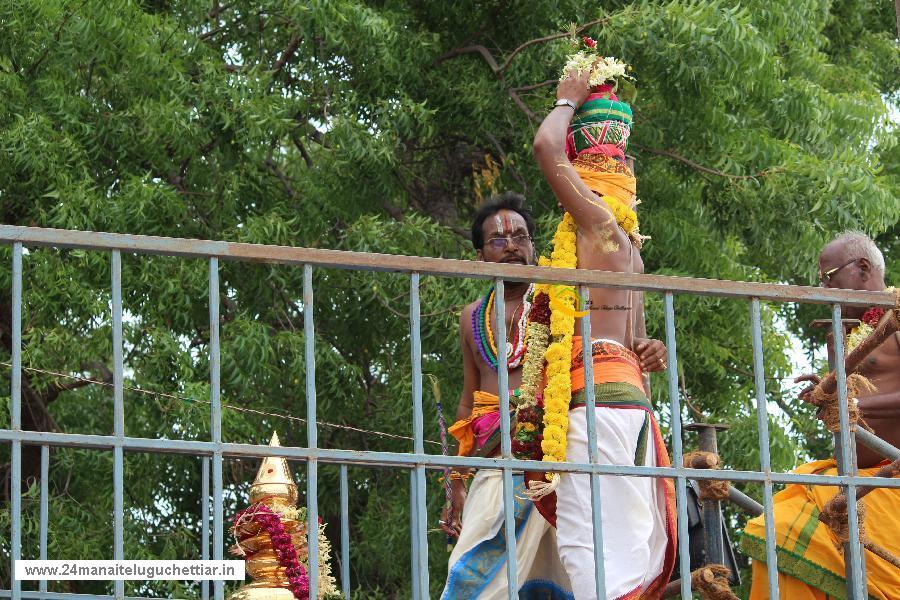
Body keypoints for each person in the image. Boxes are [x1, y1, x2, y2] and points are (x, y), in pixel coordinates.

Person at [440, 192, 669, 599]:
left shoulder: (560, 294)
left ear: (532, 245)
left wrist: (648, 346)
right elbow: (467, 398)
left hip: (554, 456)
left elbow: (619, 339)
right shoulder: (471, 316)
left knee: (569, 574)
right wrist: (455, 479)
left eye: (520, 236)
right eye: (498, 239)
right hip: (495, 465)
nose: (511, 245)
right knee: (476, 575)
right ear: (479, 256)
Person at [530, 64, 676, 600]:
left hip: (595, 400)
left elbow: (546, 147)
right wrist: (648, 348)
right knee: (619, 541)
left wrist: (567, 99)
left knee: (589, 545)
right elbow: (637, 343)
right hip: (624, 399)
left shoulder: (600, 225)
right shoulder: (630, 252)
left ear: (593, 183)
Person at [742, 231, 900, 599]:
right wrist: (827, 395)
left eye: (829, 277)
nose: (822, 287)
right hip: (849, 478)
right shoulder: (840, 333)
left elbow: (854, 408)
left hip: (890, 480)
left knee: (781, 531)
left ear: (863, 268)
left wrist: (853, 407)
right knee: (774, 531)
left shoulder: (897, 317)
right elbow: (844, 411)